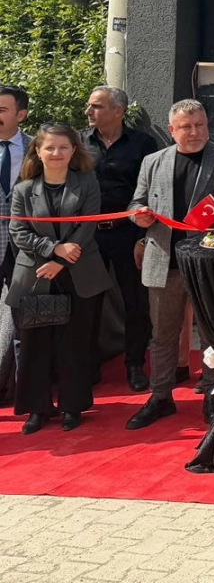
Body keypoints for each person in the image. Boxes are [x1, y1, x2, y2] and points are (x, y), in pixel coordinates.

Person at [125, 100, 214, 430]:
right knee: (162, 335)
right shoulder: (153, 161)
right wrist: (138, 216)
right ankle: (160, 396)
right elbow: (136, 201)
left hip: (208, 263)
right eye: (186, 127)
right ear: (172, 130)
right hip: (164, 261)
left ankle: (213, 394)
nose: (194, 132)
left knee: (212, 335)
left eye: (200, 125)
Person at [7, 124, 108, 433]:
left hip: (79, 273)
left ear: (73, 150)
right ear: (38, 151)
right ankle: (37, 409)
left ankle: (72, 406)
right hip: (35, 274)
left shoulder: (87, 183)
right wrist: (52, 251)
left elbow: (87, 227)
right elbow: (18, 231)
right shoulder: (23, 189)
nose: (56, 153)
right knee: (35, 345)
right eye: (49, 147)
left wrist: (61, 262)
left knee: (74, 344)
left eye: (63, 147)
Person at [81, 85, 159, 392]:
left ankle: (135, 365)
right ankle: (88, 366)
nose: (89, 111)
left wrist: (143, 238)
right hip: (88, 236)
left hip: (128, 233)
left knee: (135, 302)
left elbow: (152, 191)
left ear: (118, 111)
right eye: (90, 105)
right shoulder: (79, 142)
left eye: (97, 106)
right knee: (88, 302)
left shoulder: (143, 144)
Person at [0, 85, 31, 397]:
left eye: (1, 110)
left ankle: (25, 393)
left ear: (20, 115)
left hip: (25, 248)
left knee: (25, 321)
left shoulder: (39, 149)